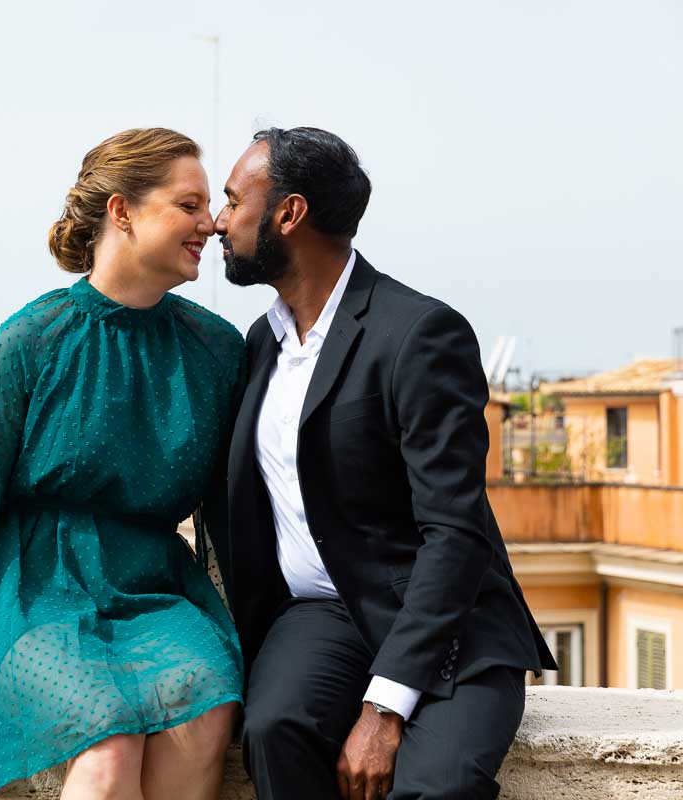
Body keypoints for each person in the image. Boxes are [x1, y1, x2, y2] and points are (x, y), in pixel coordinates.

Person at [0, 127, 245, 800]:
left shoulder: (218, 351)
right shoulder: (27, 343)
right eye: (189, 204)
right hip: (30, 588)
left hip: (154, 588)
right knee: (105, 747)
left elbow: (235, 513)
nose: (212, 223)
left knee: (206, 713)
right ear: (122, 211)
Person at [205, 127, 557, 800]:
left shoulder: (419, 333)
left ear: (288, 213)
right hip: (320, 619)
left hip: (447, 622)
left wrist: (383, 708)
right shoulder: (259, 344)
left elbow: (456, 531)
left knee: (436, 786)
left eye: (231, 200)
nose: (220, 221)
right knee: (275, 728)